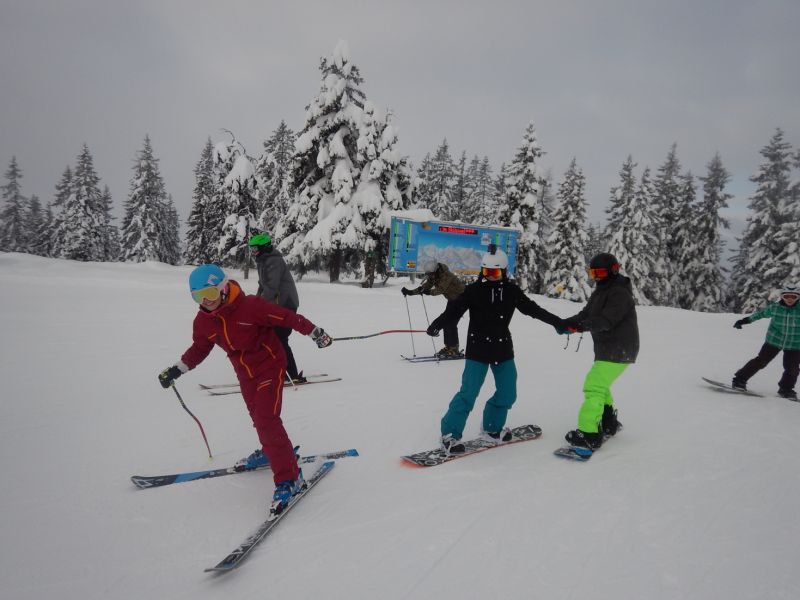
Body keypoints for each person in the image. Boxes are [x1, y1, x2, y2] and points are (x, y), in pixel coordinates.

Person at [158, 264, 333, 516]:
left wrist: (315, 332)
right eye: (197, 296)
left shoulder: (250, 306)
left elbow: (286, 317)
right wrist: (177, 369)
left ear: (222, 288)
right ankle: (270, 451)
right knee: (258, 418)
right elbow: (199, 348)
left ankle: (289, 478)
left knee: (266, 419)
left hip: (270, 365)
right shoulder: (204, 321)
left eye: (208, 293)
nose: (205, 301)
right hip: (245, 373)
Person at [426, 246, 564, 453]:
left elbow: (533, 309)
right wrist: (437, 324)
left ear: (504, 272)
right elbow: (454, 310)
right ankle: (450, 435)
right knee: (468, 393)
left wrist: (557, 322)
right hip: (478, 349)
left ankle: (492, 428)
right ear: (482, 271)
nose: (491, 277)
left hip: (502, 349)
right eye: (487, 272)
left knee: (508, 393)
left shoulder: (511, 292)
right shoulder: (472, 291)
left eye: (495, 273)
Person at [560, 252, 639, 450]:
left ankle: (588, 434)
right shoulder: (602, 290)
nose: (597, 277)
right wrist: (565, 323)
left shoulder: (619, 292)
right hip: (608, 348)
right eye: (593, 273)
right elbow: (585, 314)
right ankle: (608, 422)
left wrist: (580, 327)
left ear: (613, 271)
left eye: (601, 272)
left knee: (593, 386)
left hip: (618, 348)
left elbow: (605, 321)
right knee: (601, 386)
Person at [248, 233, 306, 384]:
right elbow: (263, 286)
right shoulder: (264, 261)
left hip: (285, 305)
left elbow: (271, 288)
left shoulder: (273, 261)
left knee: (279, 339)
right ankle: (277, 371)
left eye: (255, 249)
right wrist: (255, 303)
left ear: (263, 247)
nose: (253, 252)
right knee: (270, 338)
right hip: (276, 305)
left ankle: (292, 375)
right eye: (251, 249)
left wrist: (259, 306)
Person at [731, 284, 799, 399]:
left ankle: (786, 389)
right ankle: (739, 380)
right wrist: (745, 320)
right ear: (782, 297)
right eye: (787, 296)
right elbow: (760, 314)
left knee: (792, 368)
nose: (790, 299)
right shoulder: (775, 307)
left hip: (795, 343)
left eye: (793, 297)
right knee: (761, 361)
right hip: (774, 340)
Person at [402, 260, 465, 357]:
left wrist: (429, 292)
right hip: (452, 300)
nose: (430, 276)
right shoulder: (434, 276)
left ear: (435, 271)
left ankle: (454, 349)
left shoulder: (447, 275)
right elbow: (425, 287)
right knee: (448, 323)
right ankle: (449, 347)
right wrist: (410, 292)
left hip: (462, 299)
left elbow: (440, 290)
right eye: (428, 275)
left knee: (448, 320)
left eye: (430, 274)